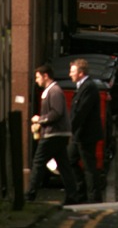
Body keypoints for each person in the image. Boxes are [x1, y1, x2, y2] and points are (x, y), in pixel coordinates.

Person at [25, 64, 78, 205]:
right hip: (58, 134)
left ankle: (30, 195)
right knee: (63, 165)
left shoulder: (54, 91)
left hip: (53, 134)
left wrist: (40, 120)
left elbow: (56, 112)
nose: (36, 80)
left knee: (38, 163)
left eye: (38, 77)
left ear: (45, 76)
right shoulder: (51, 91)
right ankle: (73, 195)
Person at [68, 58, 104, 203]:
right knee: (69, 160)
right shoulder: (82, 86)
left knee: (89, 167)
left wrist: (69, 129)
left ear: (81, 73)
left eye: (72, 72)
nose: (70, 74)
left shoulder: (88, 87)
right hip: (79, 135)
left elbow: (81, 112)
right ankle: (81, 192)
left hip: (85, 135)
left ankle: (94, 198)